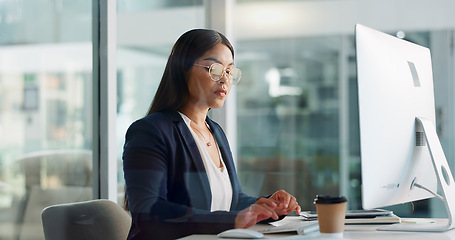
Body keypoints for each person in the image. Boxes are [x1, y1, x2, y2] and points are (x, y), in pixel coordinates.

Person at [123, 29, 301, 240]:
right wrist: (232, 220)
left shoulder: (215, 131)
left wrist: (263, 205)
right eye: (215, 69)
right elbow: (149, 212)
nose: (224, 79)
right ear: (183, 69)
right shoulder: (150, 131)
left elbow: (230, 201)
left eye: (229, 71)